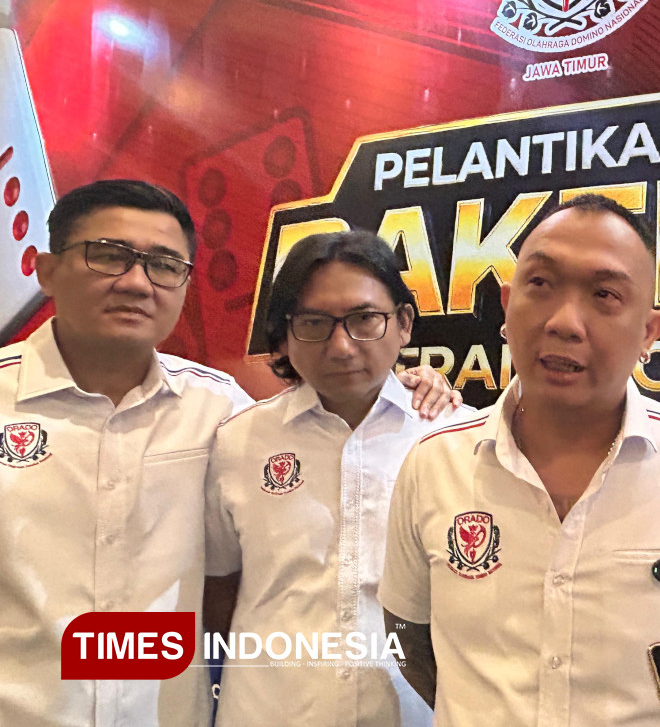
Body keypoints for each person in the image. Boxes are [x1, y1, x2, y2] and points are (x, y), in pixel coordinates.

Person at [0, 180, 456, 727]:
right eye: (109, 256)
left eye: (163, 265)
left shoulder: (218, 408)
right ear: (47, 271)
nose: (137, 283)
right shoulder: (238, 428)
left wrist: (412, 387)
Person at [378, 193, 660, 726]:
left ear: (649, 332)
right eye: (540, 284)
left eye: (604, 294)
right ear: (507, 306)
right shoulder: (432, 462)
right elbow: (407, 636)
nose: (565, 322)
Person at [204, 231, 470, 727]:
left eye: (364, 319)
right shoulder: (237, 442)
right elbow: (219, 587)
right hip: (269, 712)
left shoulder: (460, 440)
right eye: (314, 324)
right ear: (284, 335)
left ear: (403, 323)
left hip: (417, 713)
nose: (341, 346)